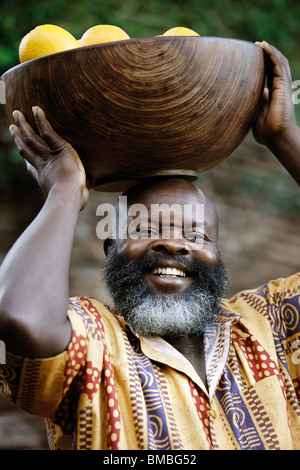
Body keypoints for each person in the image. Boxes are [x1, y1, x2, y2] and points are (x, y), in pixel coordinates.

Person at [0, 41, 299, 450]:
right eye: (147, 227)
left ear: (218, 254)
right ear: (111, 250)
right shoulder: (95, 342)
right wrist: (65, 190)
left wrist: (285, 136)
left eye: (196, 235)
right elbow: (21, 317)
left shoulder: (269, 327)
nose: (174, 245)